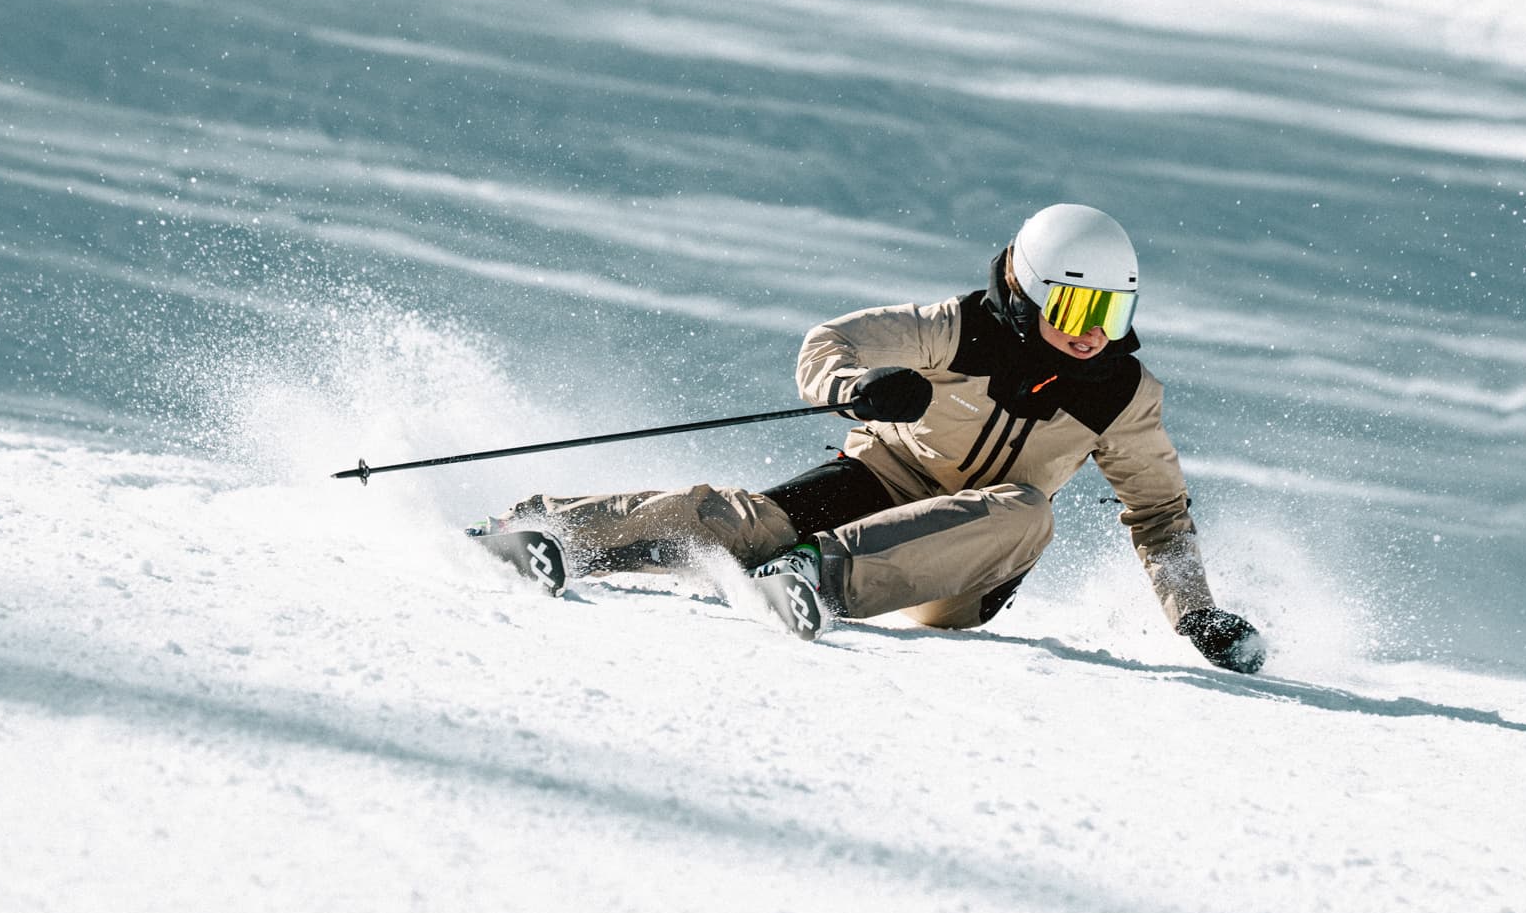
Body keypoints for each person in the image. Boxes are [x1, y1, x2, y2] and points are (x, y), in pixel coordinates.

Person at [482, 203, 1267, 673]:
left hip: (966, 561)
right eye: (1074, 310)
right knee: (746, 521)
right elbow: (829, 343)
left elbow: (1159, 513)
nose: (1092, 335)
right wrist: (854, 387)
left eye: (1110, 314)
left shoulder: (1122, 395)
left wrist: (1196, 614)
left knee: (1029, 510)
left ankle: (816, 575)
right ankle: (550, 530)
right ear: (1028, 293)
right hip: (881, 481)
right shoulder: (959, 330)